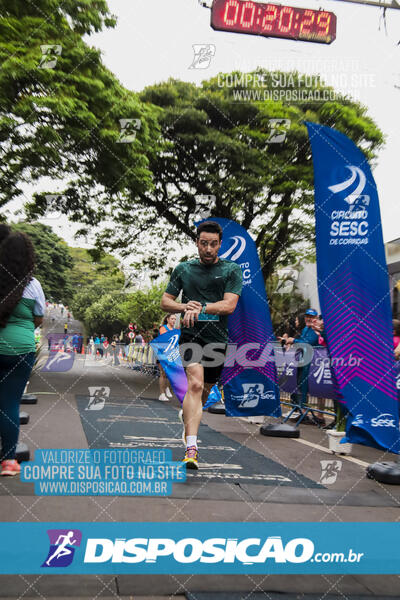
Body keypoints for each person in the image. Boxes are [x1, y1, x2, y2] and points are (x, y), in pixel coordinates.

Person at [160, 220, 243, 469]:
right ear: (197, 242)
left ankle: (187, 412)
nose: (208, 249)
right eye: (204, 243)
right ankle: (191, 448)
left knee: (204, 391)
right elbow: (166, 301)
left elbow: (229, 306)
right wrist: (185, 306)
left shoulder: (231, 270)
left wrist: (202, 307)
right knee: (194, 384)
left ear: (220, 244)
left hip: (217, 338)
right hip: (191, 335)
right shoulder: (183, 269)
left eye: (213, 244)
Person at [0, 229, 46, 476]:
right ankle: (7, 462)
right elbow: (38, 318)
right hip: (20, 349)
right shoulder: (33, 284)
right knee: (8, 403)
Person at [281, 308, 326, 425]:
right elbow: (302, 341)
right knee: (299, 386)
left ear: (316, 318)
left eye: (311, 317)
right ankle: (300, 411)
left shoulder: (316, 330)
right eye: (307, 316)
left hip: (312, 363)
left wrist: (293, 340)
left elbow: (309, 342)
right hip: (302, 362)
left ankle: (308, 413)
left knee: (307, 388)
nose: (309, 318)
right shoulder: (306, 328)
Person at [157, 314, 176, 402]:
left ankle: (167, 388)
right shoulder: (163, 328)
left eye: (175, 319)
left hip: (171, 354)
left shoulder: (175, 330)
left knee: (170, 374)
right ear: (168, 319)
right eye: (172, 319)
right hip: (162, 353)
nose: (174, 321)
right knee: (163, 374)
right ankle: (162, 394)